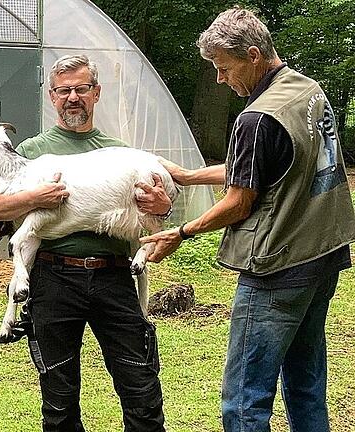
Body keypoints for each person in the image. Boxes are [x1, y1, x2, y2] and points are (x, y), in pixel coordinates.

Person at [140, 7, 355, 432]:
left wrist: (182, 231)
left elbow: (240, 201)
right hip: (324, 257)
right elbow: (269, 167)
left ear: (253, 55)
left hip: (278, 269)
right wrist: (187, 175)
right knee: (306, 385)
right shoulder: (306, 92)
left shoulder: (256, 117)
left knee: (243, 401)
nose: (221, 79)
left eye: (224, 68)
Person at [0, 54, 171, 432]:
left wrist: (163, 207)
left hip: (114, 279)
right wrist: (35, 199)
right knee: (58, 399)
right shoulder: (31, 152)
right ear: (52, 96)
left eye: (82, 89)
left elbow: (156, 211)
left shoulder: (119, 152)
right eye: (64, 90)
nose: (73, 97)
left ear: (96, 93)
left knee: (141, 389)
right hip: (54, 279)